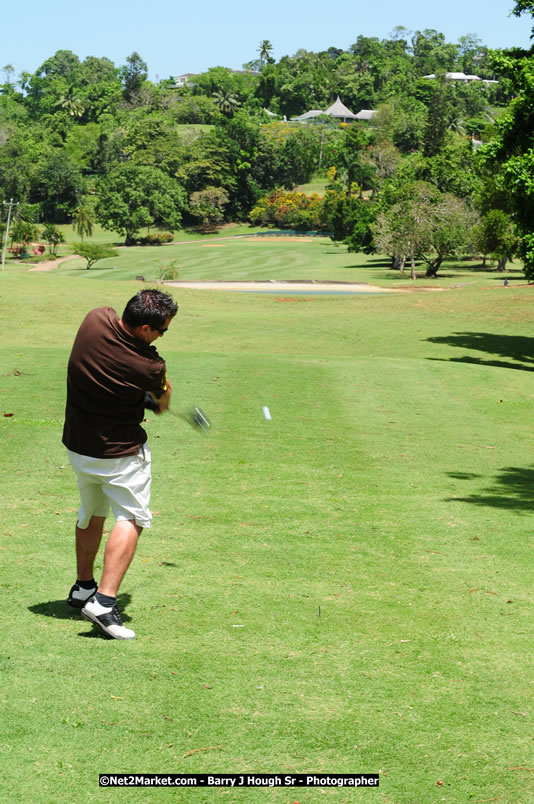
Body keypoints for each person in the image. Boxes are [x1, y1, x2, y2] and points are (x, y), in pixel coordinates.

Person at [62, 288, 178, 640]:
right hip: (120, 456)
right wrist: (154, 393)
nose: (161, 337)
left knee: (91, 512)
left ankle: (83, 587)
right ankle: (103, 601)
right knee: (131, 517)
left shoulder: (95, 318)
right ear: (145, 329)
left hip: (79, 448)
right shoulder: (150, 364)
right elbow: (161, 403)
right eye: (162, 331)